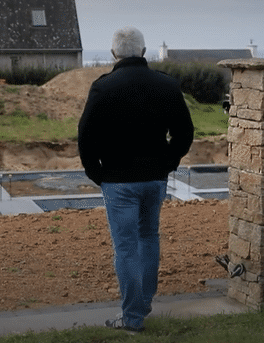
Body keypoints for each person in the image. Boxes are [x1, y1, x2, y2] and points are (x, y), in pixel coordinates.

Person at [77, 26, 194, 333]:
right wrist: (168, 163)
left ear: (114, 53)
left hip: (117, 181)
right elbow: (184, 133)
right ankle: (142, 306)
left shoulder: (103, 87)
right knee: (148, 238)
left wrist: (97, 174)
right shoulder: (166, 85)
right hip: (154, 179)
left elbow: (85, 137)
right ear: (143, 52)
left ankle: (132, 319)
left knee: (126, 247)